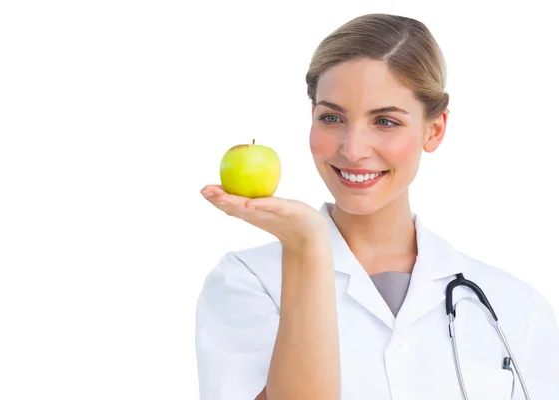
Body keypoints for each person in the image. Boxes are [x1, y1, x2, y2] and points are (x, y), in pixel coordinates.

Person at [195, 13, 559, 400]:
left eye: (385, 121)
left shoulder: (515, 306)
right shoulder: (248, 282)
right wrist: (306, 247)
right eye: (332, 117)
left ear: (434, 130)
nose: (352, 150)